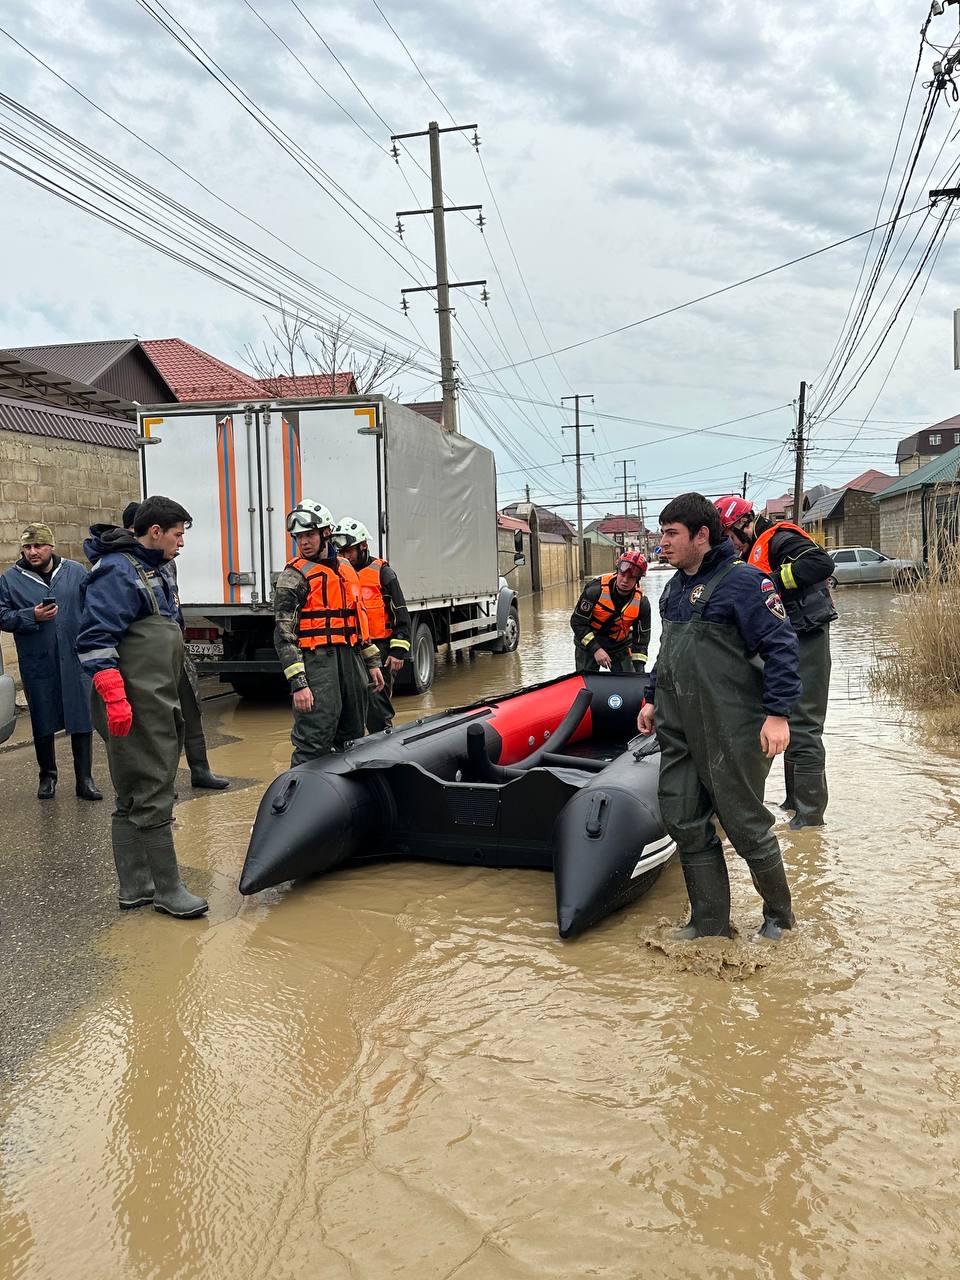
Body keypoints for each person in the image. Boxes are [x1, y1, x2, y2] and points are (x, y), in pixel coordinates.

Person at [637, 492, 801, 941]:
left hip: (733, 726)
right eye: (662, 533)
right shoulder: (672, 588)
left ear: (702, 535)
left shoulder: (746, 582)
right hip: (679, 724)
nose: (662, 543)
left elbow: (782, 648)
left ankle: (779, 922)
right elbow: (667, 652)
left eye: (671, 534)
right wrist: (651, 697)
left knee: (745, 822)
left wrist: (778, 715)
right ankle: (709, 924)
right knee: (685, 819)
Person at [77, 496, 207, 918]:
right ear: (155, 532)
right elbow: (96, 639)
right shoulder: (116, 571)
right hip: (133, 699)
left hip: (154, 694)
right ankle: (168, 891)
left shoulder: (156, 567)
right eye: (177, 534)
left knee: (133, 791)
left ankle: (135, 886)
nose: (181, 543)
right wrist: (114, 696)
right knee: (150, 787)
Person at [714, 496, 837, 829]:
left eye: (727, 535)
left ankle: (810, 818)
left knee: (805, 726)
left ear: (742, 524)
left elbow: (821, 564)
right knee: (788, 721)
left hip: (807, 635)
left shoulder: (780, 537)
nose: (727, 543)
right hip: (787, 639)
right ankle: (793, 802)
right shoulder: (753, 549)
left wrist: (771, 581)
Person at [121, 501, 228, 791]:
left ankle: (200, 769)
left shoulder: (168, 564)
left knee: (191, 708)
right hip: (151, 660)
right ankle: (162, 780)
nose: (179, 542)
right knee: (161, 721)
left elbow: (174, 604)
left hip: (175, 649)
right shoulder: (123, 567)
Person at [273, 499, 384, 765]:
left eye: (309, 535)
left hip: (350, 660)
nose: (304, 542)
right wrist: (299, 685)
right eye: (298, 537)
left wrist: (372, 662)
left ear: (326, 533)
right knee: (314, 740)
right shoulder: (293, 577)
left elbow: (359, 619)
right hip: (316, 663)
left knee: (354, 737)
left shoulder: (346, 569)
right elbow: (284, 635)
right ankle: (297, 801)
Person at [0, 522, 102, 801]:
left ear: (51, 546)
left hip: (74, 656)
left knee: (82, 716)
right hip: (38, 660)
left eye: (38, 546)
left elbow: (92, 608)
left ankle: (85, 779)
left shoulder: (75, 572)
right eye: (27, 547)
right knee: (42, 717)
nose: (33, 552)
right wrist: (31, 615)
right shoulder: (10, 579)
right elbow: (2, 616)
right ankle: (48, 776)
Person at [332, 517, 411, 732]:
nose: (345, 556)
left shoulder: (383, 573)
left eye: (349, 551)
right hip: (351, 648)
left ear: (363, 546)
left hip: (381, 648)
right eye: (341, 552)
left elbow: (401, 615)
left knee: (377, 703)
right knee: (350, 703)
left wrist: (397, 651)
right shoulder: (338, 574)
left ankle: (383, 738)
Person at [570, 549, 652, 673]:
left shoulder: (642, 603)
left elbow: (641, 641)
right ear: (617, 572)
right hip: (588, 643)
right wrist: (595, 648)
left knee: (628, 683)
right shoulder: (595, 590)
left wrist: (639, 671)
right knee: (585, 685)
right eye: (622, 575)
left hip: (619, 645)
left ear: (638, 579)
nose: (625, 580)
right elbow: (577, 622)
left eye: (631, 578)